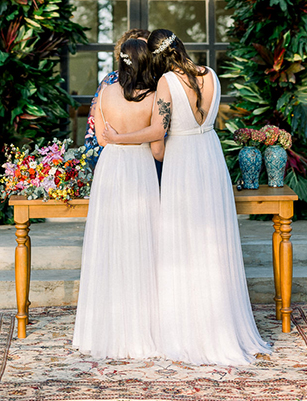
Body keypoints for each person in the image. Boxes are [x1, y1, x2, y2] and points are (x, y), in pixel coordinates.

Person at [102, 29, 270, 366]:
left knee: (182, 246)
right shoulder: (211, 74)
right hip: (210, 158)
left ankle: (186, 332)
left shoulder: (165, 82)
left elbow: (157, 134)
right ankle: (219, 325)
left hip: (183, 164)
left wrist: (120, 139)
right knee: (214, 244)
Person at [73, 37, 161, 359]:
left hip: (110, 168)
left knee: (109, 242)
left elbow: (100, 137)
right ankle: (144, 325)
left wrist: (116, 138)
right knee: (142, 241)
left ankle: (101, 327)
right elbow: (156, 145)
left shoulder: (105, 93)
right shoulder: (152, 97)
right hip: (139, 166)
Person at [83, 28, 150, 170]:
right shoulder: (110, 81)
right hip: (114, 155)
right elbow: (94, 123)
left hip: (148, 155)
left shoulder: (157, 81)